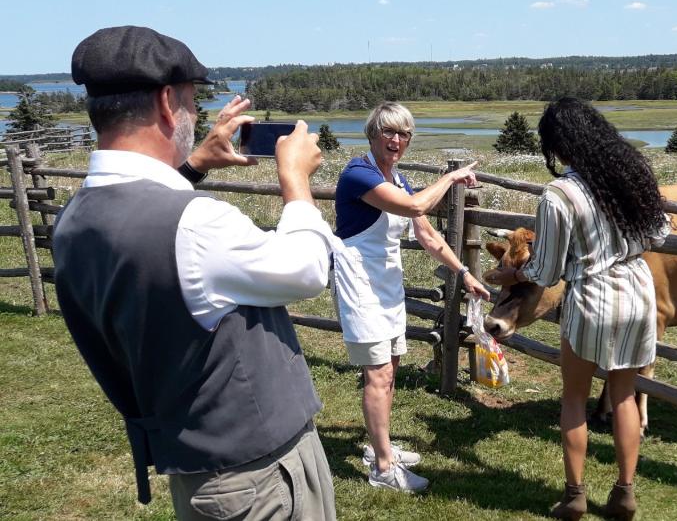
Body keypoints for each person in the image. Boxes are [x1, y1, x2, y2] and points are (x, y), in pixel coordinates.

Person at [54, 26, 338, 520]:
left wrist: (192, 165)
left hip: (198, 467)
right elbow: (308, 270)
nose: (193, 115)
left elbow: (150, 234)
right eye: (191, 102)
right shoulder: (197, 223)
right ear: (167, 102)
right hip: (260, 475)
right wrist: (295, 180)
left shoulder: (76, 218)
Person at [484, 97, 671, 521]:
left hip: (591, 296)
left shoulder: (560, 194)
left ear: (558, 145)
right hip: (638, 291)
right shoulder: (632, 173)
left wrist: (509, 277)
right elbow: (659, 234)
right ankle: (624, 493)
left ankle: (574, 496)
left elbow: (546, 271)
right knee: (625, 395)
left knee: (574, 398)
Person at [331, 101, 491, 493]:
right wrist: (451, 178)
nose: (397, 140)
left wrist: (464, 272)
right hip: (358, 284)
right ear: (373, 134)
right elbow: (417, 205)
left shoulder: (397, 178)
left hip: (386, 283)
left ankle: (378, 446)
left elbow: (429, 236)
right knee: (378, 373)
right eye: (389, 131)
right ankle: (384, 468)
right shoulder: (358, 173)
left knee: (391, 368)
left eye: (404, 134)